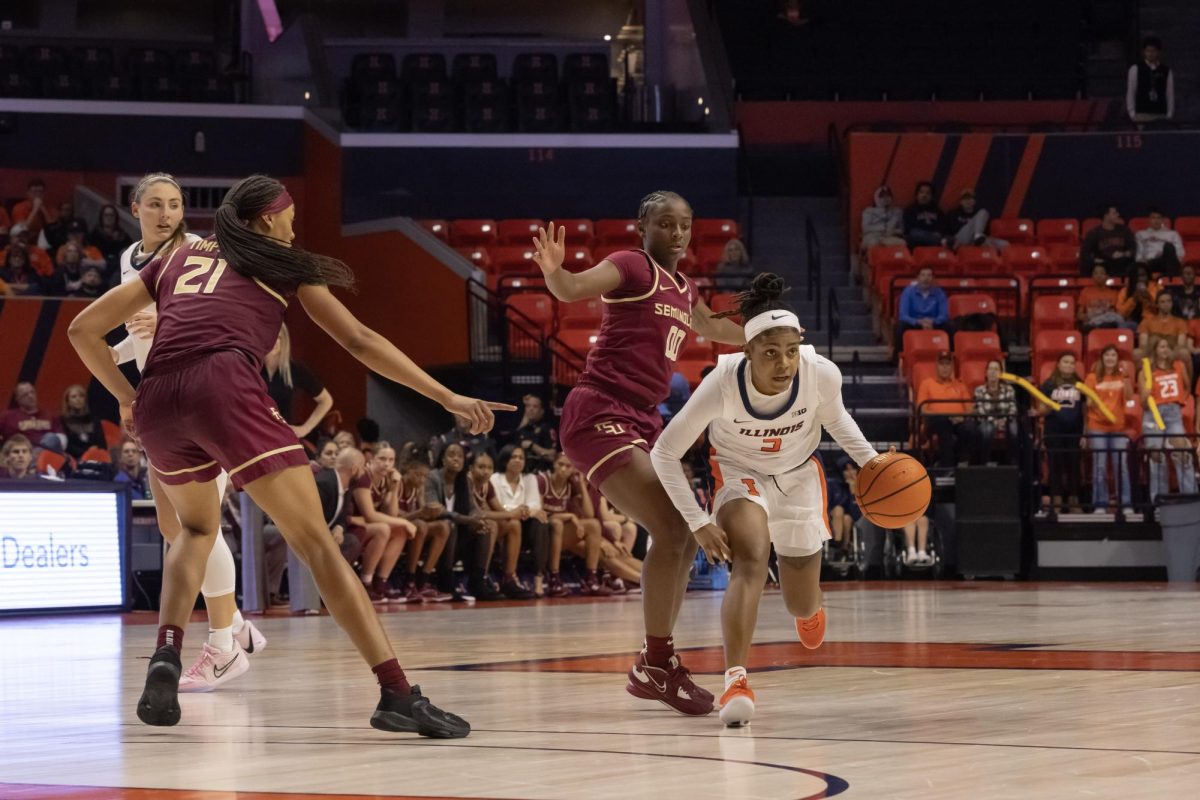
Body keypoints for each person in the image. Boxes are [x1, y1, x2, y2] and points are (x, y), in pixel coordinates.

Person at [68, 173, 513, 735]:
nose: (295, 225)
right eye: (290, 215)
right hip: (223, 387)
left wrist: (128, 395)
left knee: (194, 531)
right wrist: (446, 395)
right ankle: (396, 693)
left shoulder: (177, 257)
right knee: (318, 546)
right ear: (263, 220)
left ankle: (166, 652)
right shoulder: (282, 261)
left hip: (158, 399)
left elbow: (83, 330)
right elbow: (360, 341)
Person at [532, 190, 747, 716]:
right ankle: (655, 664)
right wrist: (556, 273)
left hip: (644, 420)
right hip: (600, 410)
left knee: (681, 535)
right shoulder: (631, 266)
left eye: (685, 225)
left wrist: (775, 336)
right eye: (666, 224)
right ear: (643, 227)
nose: (677, 233)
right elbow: (573, 288)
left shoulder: (684, 285)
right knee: (677, 525)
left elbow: (713, 327)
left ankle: (658, 662)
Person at [649, 273, 879, 726]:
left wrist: (876, 467)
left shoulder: (820, 374)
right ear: (747, 351)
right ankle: (736, 679)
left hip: (797, 477)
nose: (784, 363)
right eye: (770, 353)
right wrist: (697, 521)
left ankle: (811, 606)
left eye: (791, 351)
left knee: (800, 606)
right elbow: (664, 452)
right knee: (751, 556)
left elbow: (839, 424)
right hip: (739, 474)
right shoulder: (721, 383)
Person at [105, 172, 262, 694]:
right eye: (156, 204)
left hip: (205, 399)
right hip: (161, 402)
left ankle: (223, 645)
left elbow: (221, 320)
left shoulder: (201, 250)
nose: (167, 213)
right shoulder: (131, 259)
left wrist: (163, 325)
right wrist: (121, 356)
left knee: (199, 528)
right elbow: (137, 329)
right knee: (177, 529)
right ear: (136, 208)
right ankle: (235, 622)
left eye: (175, 204)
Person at [349, 442, 418, 603]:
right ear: (371, 459)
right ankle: (365, 583)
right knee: (383, 529)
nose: (386, 464)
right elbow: (370, 515)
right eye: (382, 459)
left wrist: (394, 489)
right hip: (350, 525)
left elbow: (391, 513)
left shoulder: (385, 479)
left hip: (366, 526)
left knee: (400, 532)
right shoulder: (364, 477)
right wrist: (405, 522)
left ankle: (381, 583)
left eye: (391, 460)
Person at [466, 451, 534, 599]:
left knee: (514, 524)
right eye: (481, 467)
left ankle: (509, 579)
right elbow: (477, 514)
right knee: (492, 524)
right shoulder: (466, 482)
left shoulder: (486, 485)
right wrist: (511, 513)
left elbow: (499, 510)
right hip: (462, 529)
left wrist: (519, 512)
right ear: (471, 468)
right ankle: (480, 578)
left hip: (478, 529)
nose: (485, 471)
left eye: (489, 468)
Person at [490, 445, 553, 596]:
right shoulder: (495, 478)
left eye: (521, 457)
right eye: (514, 457)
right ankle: (509, 577)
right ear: (505, 460)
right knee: (514, 523)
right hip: (503, 523)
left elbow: (535, 505)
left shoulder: (530, 478)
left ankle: (539, 578)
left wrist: (521, 511)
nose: (518, 460)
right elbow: (497, 506)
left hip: (525, 524)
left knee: (542, 522)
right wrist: (517, 511)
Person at [1141, 337, 1195, 502]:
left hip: (1172, 412)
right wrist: (1148, 390)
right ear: (1155, 349)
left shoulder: (1178, 366)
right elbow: (1143, 403)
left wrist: (1180, 401)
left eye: (1167, 346)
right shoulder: (1146, 370)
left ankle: (1189, 497)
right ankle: (1158, 500)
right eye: (1162, 346)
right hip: (1153, 413)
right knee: (1156, 457)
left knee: (1183, 454)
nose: (1165, 350)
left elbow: (1187, 386)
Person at [263, 323, 334, 443]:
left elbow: (326, 400)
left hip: (283, 439)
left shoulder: (295, 369)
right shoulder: (251, 369)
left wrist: (305, 429)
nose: (274, 341)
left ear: (284, 341)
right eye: (270, 336)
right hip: (254, 437)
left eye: (279, 337)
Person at [1083, 345, 1134, 514]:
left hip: (1118, 426)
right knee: (1100, 466)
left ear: (1117, 359)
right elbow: (1088, 403)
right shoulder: (1092, 377)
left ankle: (1125, 503)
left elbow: (1128, 396)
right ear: (1102, 358)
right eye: (1107, 355)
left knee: (1122, 466)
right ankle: (1100, 503)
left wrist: (1126, 378)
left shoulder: (1122, 376)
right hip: (1097, 426)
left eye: (1113, 355)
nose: (1110, 358)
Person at [916, 351, 983, 468]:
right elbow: (922, 409)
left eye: (948, 364)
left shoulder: (960, 385)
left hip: (958, 422)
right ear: (936, 366)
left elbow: (970, 409)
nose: (945, 368)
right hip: (935, 422)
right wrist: (946, 416)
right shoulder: (927, 384)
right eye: (942, 364)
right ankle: (947, 468)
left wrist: (961, 417)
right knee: (944, 425)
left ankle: (964, 464)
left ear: (952, 367)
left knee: (971, 428)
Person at [1038, 353, 1085, 513]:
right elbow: (1041, 410)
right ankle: (1056, 500)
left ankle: (1074, 500)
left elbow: (1085, 410)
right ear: (1058, 364)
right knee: (1055, 466)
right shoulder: (1049, 384)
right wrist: (1045, 408)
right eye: (1065, 362)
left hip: (1075, 431)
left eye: (1072, 362)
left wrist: (1084, 433)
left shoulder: (1080, 384)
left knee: (1074, 466)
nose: (1069, 365)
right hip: (1054, 430)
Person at [894, 266, 950, 352]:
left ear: (933, 279)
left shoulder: (939, 293)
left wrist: (932, 321)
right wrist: (918, 322)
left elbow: (944, 315)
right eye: (923, 275)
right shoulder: (908, 292)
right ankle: (898, 357)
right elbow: (903, 315)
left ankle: (949, 357)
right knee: (900, 326)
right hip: (914, 323)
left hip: (933, 323)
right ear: (918, 278)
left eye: (929, 275)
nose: (926, 278)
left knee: (950, 325)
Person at [973, 360, 1017, 462]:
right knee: (987, 430)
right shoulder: (979, 390)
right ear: (986, 372)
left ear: (1001, 373)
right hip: (987, 419)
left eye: (996, 369)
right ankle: (985, 462)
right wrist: (995, 421)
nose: (993, 372)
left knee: (1014, 430)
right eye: (990, 369)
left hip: (1006, 419)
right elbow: (981, 410)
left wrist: (1004, 421)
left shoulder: (1009, 389)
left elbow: (1012, 408)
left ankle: (1013, 463)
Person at [1126, 36, 1174, 124]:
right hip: (1142, 114)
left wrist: (1169, 113)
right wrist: (1132, 113)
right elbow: (1131, 92)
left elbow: (1169, 93)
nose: (1150, 54)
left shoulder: (1166, 70)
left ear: (1158, 52)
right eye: (1148, 51)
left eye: (1153, 51)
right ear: (1144, 52)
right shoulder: (1135, 69)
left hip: (1160, 114)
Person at [1076, 264, 1137, 333]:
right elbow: (1080, 313)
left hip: (1107, 323)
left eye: (1102, 273)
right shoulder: (1086, 291)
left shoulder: (1114, 293)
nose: (1098, 276)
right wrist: (1085, 317)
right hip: (1091, 322)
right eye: (1095, 273)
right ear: (1092, 276)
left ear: (1107, 276)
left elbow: (1115, 313)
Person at [1080, 205, 1137, 278]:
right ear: (1106, 216)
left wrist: (1124, 254)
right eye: (1114, 213)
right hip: (1104, 263)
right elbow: (1085, 253)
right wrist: (1095, 260)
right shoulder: (1094, 233)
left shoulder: (1125, 231)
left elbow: (1133, 248)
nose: (1118, 215)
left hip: (1121, 262)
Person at [0, 382, 62, 447]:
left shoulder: (50, 416)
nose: (30, 396)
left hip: (47, 452)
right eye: (25, 395)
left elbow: (61, 438)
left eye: (32, 392)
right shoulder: (7, 417)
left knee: (50, 437)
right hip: (22, 452)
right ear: (17, 399)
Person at [509, 393, 557, 472]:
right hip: (521, 472)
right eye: (528, 406)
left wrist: (532, 446)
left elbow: (552, 456)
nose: (531, 409)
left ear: (542, 411)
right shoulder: (521, 429)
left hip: (542, 472)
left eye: (535, 406)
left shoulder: (546, 429)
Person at [1137, 290, 1188, 363]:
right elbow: (1143, 345)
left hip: (1172, 352)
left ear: (1172, 303)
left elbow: (1181, 345)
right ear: (1157, 304)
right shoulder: (1146, 322)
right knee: (1137, 353)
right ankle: (1142, 374)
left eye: (1168, 301)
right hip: (1152, 352)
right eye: (1162, 302)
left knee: (1184, 353)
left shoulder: (1180, 322)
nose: (1166, 304)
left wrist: (1168, 351)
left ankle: (1185, 374)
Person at [59, 383, 106, 461]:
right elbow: (67, 446)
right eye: (74, 396)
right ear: (67, 401)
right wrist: (87, 452)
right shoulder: (62, 420)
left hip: (96, 457)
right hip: (74, 459)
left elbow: (103, 444)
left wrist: (96, 449)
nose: (78, 399)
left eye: (81, 396)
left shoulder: (94, 420)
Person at [825, 458, 859, 555]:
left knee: (847, 518)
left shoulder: (859, 487)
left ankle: (844, 548)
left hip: (850, 522)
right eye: (847, 470)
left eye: (853, 469)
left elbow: (856, 515)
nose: (851, 472)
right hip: (832, 518)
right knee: (839, 510)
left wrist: (853, 491)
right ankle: (836, 543)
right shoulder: (832, 484)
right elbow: (826, 506)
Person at [1136, 209, 1183, 277]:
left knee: (1168, 247)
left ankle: (1170, 281)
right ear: (1149, 220)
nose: (1156, 221)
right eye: (1153, 218)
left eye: (1158, 218)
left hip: (1167, 262)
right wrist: (1142, 262)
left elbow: (1180, 253)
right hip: (1149, 262)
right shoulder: (1141, 234)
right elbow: (1139, 253)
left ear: (1162, 220)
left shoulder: (1172, 234)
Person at [903, 181, 948, 249]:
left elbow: (942, 228)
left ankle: (937, 240)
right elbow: (909, 229)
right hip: (916, 239)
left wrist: (936, 234)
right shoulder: (910, 210)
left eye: (928, 193)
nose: (924, 195)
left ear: (932, 196)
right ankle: (939, 241)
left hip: (934, 239)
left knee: (946, 237)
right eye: (921, 192)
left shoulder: (938, 211)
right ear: (916, 195)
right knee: (914, 233)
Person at [88, 203, 134, 269]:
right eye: (106, 215)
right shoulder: (94, 235)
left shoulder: (123, 237)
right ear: (102, 217)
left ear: (116, 217)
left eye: (111, 215)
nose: (109, 218)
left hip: (118, 267)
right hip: (99, 267)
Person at [860, 185, 905, 251]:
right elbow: (865, 229)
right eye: (882, 196)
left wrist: (894, 231)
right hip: (872, 236)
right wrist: (883, 228)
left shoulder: (897, 212)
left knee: (902, 243)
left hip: (890, 236)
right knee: (874, 243)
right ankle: (873, 261)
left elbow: (902, 230)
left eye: (888, 196)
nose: (885, 198)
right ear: (876, 198)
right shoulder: (869, 211)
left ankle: (895, 261)